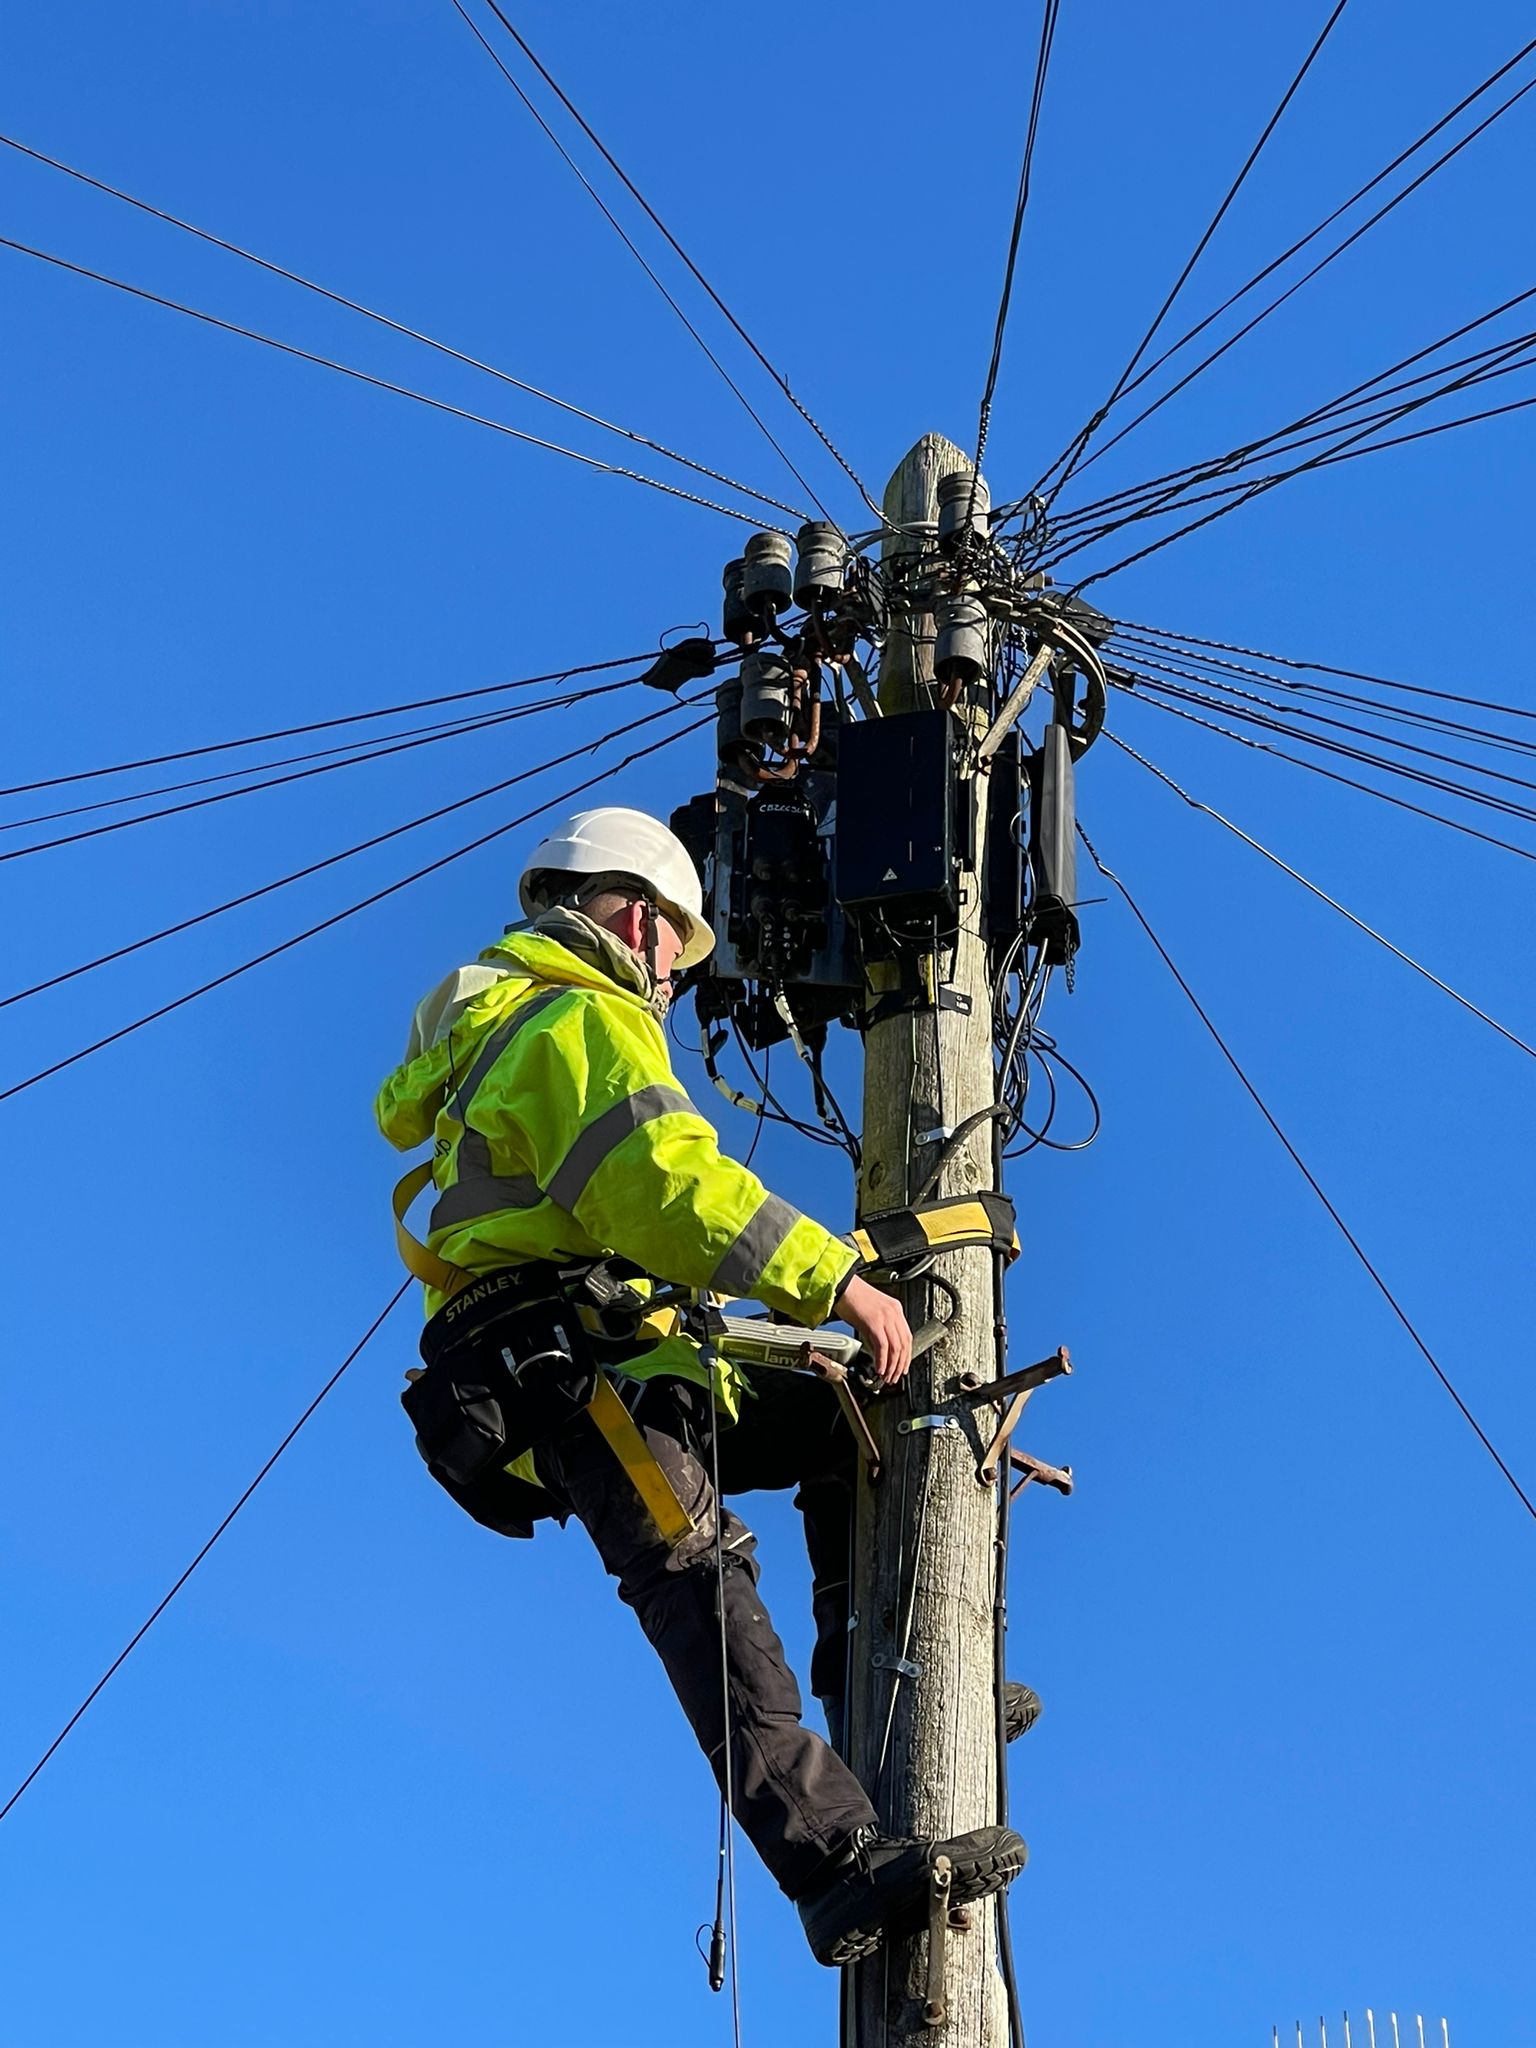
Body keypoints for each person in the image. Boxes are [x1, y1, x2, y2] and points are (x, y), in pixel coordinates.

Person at [375, 805, 1026, 1965]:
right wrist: (834, 1280)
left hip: (624, 1353)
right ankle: (832, 1865)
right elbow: (663, 1186)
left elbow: (649, 1205)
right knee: (696, 1575)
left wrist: (823, 1316)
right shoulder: (576, 1019)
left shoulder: (523, 1022)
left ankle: (875, 1676)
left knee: (842, 1415)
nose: (675, 973)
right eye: (678, 945)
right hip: (574, 1368)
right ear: (640, 918)